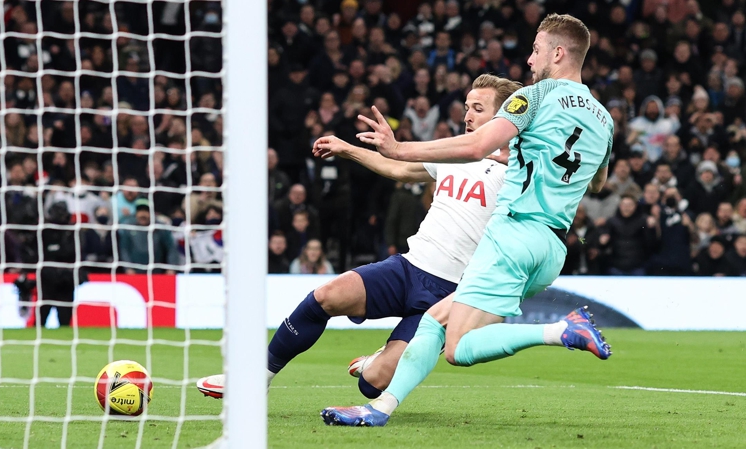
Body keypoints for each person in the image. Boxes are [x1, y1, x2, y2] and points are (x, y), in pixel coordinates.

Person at [322, 13, 612, 427]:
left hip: (513, 231)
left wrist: (400, 148)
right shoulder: (604, 118)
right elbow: (597, 182)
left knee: (458, 348)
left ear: (559, 52)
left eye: (535, 49)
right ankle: (379, 407)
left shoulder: (533, 96)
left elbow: (477, 145)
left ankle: (560, 330)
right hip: (552, 248)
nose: (530, 60)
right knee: (434, 321)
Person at [196, 74, 520, 400]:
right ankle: (256, 378)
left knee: (372, 383)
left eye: (478, 108)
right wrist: (346, 148)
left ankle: (380, 360)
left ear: (504, 117)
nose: (467, 116)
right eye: (467, 107)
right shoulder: (453, 154)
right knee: (326, 295)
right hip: (407, 269)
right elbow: (398, 169)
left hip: (449, 295)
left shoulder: (521, 171)